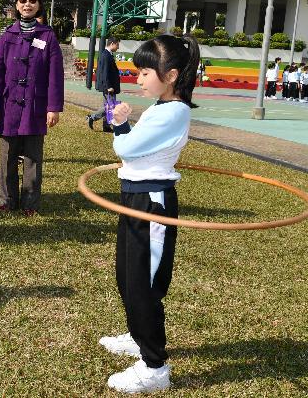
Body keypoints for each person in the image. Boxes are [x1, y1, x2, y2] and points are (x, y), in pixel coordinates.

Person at [99, 34, 200, 394]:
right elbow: (133, 154)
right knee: (127, 275)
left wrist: (121, 124)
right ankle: (137, 334)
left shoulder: (175, 111)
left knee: (144, 283)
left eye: (144, 72)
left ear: (170, 75)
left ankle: (154, 366)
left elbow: (125, 148)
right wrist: (123, 124)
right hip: (133, 198)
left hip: (151, 204)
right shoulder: (160, 107)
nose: (137, 79)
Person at [0, 0, 64, 216]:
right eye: (22, 1)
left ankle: (30, 203)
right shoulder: (7, 36)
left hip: (35, 106)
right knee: (7, 157)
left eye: (32, 1)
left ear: (39, 5)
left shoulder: (47, 36)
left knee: (32, 158)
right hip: (8, 106)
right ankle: (7, 200)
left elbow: (55, 76)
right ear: (16, 6)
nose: (27, 5)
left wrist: (53, 107)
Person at [87, 36, 120, 132]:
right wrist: (109, 86)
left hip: (109, 85)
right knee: (110, 106)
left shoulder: (107, 54)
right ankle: (92, 117)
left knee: (108, 105)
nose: (118, 47)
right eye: (117, 44)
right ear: (112, 44)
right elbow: (104, 73)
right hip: (108, 86)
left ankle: (106, 126)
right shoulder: (106, 55)